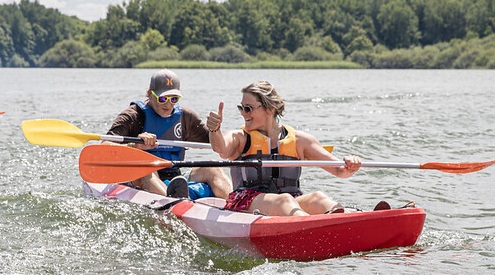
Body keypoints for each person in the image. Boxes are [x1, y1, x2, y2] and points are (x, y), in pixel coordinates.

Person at [206, 80, 361, 216]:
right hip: (246, 202)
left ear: (270, 108)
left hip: (290, 201)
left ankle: (350, 220)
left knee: (318, 198)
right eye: (241, 108)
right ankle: (309, 226)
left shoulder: (300, 140)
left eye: (248, 108)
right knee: (283, 200)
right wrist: (215, 130)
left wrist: (350, 164)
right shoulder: (240, 138)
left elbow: (339, 170)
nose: (243, 114)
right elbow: (221, 148)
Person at [106, 69, 231, 200]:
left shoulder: (185, 117)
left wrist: (215, 129)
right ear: (149, 94)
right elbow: (106, 146)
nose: (168, 104)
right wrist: (135, 145)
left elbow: (219, 148)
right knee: (148, 167)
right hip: (141, 177)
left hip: (175, 179)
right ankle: (176, 203)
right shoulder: (133, 115)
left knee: (213, 167)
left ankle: (237, 205)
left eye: (174, 99)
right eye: (163, 98)